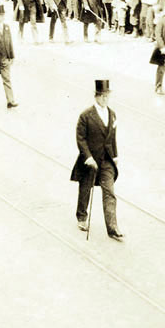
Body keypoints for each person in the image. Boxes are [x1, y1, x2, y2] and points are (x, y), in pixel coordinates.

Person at [70, 79, 123, 240]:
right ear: (97, 96)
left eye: (107, 96)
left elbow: (112, 137)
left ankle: (113, 228)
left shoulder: (112, 114)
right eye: (103, 96)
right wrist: (88, 157)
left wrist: (115, 155)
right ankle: (81, 217)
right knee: (86, 189)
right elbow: (80, 139)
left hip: (106, 161)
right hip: (90, 161)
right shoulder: (86, 115)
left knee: (110, 193)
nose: (105, 99)